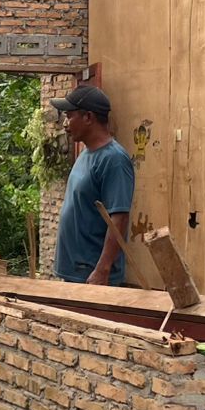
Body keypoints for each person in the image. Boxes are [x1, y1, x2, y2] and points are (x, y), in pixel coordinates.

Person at [51, 85, 136, 286]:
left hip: (91, 276)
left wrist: (102, 269)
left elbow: (120, 218)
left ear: (88, 117)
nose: (65, 124)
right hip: (75, 272)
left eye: (69, 116)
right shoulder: (86, 153)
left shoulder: (114, 160)